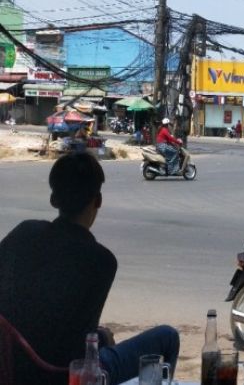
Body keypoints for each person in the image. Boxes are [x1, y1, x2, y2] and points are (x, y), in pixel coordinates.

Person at [0, 153, 179, 385]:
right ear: (98, 201)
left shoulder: (23, 232)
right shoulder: (101, 262)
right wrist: (103, 337)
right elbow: (79, 348)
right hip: (61, 373)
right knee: (167, 337)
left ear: (54, 199)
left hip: (11, 366)